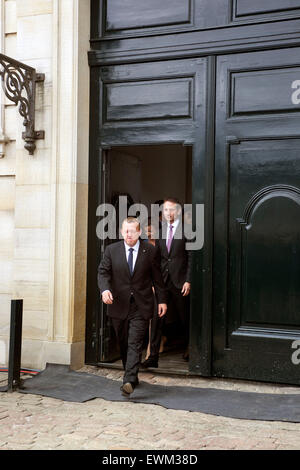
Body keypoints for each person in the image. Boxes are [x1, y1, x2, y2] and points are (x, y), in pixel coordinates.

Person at [98, 217, 167, 396]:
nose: (129, 234)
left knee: (135, 342)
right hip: (118, 304)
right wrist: (105, 290)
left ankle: (128, 380)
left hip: (141, 305)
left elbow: (157, 278)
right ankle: (131, 373)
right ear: (122, 232)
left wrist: (162, 300)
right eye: (126, 231)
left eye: (132, 231)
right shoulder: (112, 250)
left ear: (139, 232)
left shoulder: (150, 251)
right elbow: (103, 272)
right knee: (123, 342)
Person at [141, 197, 192, 368]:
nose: (168, 213)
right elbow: (157, 260)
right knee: (156, 319)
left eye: (171, 210)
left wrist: (188, 280)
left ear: (178, 211)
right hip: (162, 282)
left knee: (185, 318)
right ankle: (152, 356)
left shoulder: (188, 230)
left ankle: (190, 347)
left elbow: (192, 258)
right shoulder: (159, 231)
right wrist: (154, 283)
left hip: (180, 282)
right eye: (165, 210)